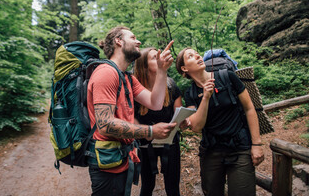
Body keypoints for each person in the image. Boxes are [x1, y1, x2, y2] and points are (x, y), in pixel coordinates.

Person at [86, 26, 177, 196]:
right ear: (118, 41)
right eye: (133, 37)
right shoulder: (106, 73)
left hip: (121, 159)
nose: (139, 41)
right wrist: (150, 131)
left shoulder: (127, 77)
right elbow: (105, 124)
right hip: (107, 165)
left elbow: (155, 103)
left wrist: (162, 70)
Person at [176, 47, 264, 196]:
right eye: (190, 56)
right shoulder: (190, 93)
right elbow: (196, 126)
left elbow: (249, 108)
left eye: (196, 53)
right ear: (184, 68)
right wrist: (205, 98)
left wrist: (256, 144)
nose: (197, 55)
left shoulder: (227, 77)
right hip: (211, 152)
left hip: (239, 148)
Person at [133, 47, 183, 196]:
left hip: (170, 142)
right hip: (145, 142)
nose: (160, 59)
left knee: (173, 187)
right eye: (155, 57)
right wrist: (148, 131)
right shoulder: (135, 89)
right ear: (144, 65)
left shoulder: (171, 85)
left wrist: (183, 122)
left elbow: (179, 114)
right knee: (147, 186)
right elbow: (131, 120)